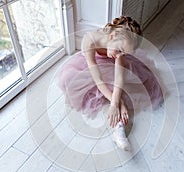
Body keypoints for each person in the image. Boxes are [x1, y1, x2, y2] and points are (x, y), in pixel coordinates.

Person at [58, 16, 163, 151]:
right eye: (119, 50)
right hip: (92, 68)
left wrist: (114, 103)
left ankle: (119, 128)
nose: (120, 55)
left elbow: (119, 76)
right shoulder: (89, 40)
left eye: (124, 53)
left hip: (110, 67)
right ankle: (119, 127)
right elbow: (99, 79)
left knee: (121, 83)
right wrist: (119, 103)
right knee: (72, 79)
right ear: (112, 36)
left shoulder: (119, 54)